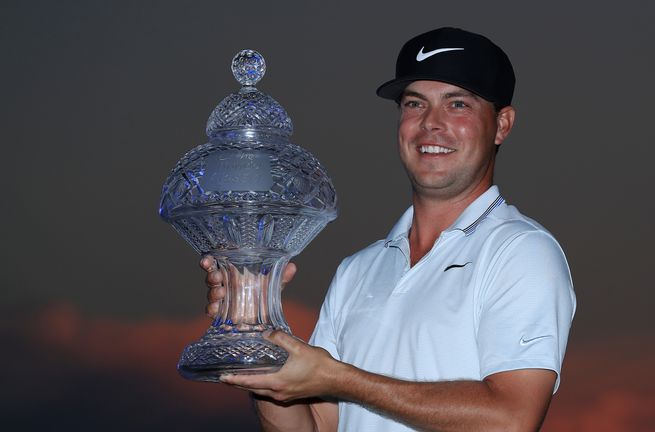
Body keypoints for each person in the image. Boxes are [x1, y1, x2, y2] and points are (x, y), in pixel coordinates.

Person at [201, 27, 576, 432]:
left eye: (457, 104)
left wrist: (339, 378)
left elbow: (511, 420)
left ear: (502, 125)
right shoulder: (357, 270)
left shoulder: (522, 251)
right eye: (415, 103)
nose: (431, 123)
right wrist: (258, 335)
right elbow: (313, 426)